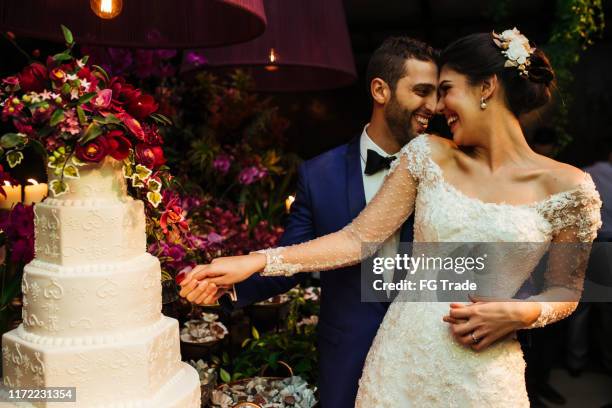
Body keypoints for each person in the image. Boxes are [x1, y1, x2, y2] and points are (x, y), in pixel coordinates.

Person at [181, 29, 602, 406]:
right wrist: (253, 261)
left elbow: (566, 287)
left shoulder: (570, 188)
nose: (438, 107)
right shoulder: (428, 154)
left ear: (487, 87)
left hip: (484, 375)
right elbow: (354, 239)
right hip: (400, 365)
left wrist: (522, 312)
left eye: (447, 90)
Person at [178, 36, 439, 408]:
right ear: (380, 90)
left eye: (436, 93)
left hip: (428, 353)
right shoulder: (319, 174)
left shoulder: (446, 166)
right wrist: (227, 286)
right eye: (422, 91)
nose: (433, 105)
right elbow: (293, 260)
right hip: (349, 353)